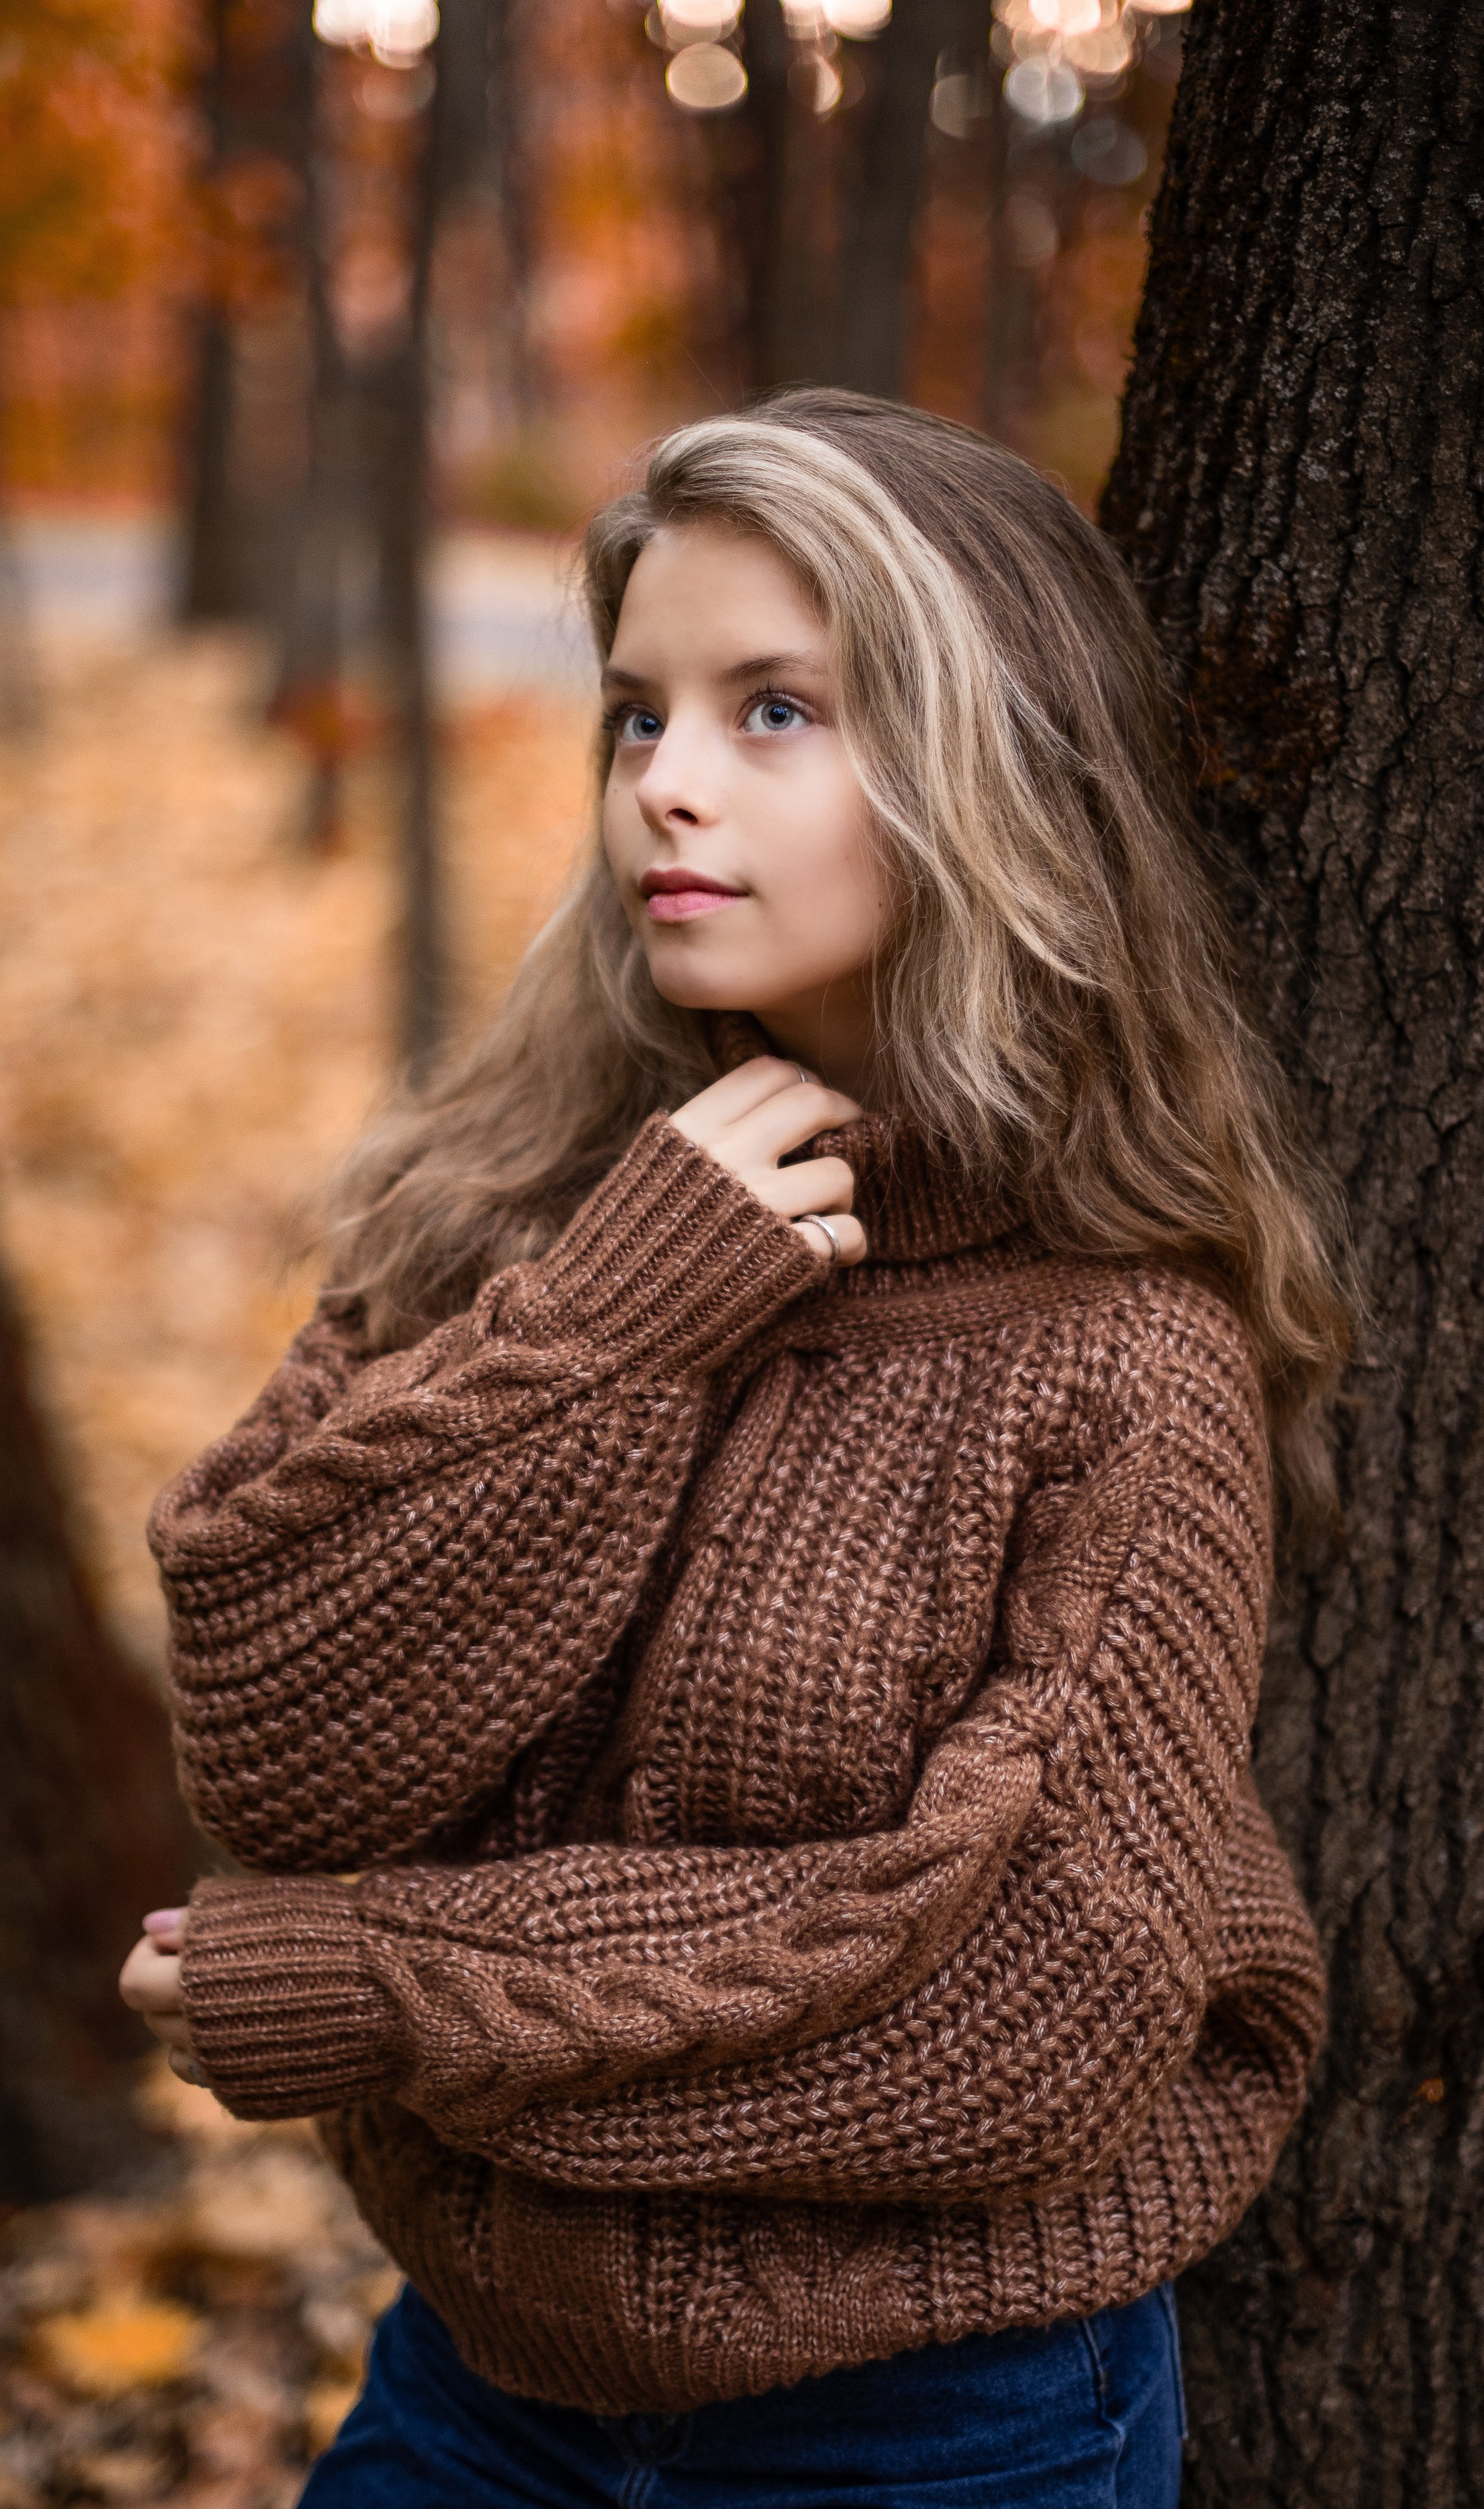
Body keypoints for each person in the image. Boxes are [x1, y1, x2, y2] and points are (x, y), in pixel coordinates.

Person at [121, 389, 1349, 2507]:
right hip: (478, 2391)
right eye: (637, 714)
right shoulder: (525, 1199)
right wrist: (617, 1321)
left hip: (942, 2427)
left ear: (990, 776)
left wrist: (385, 1983)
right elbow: (270, 1737)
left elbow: (1028, 1990)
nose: (664, 788)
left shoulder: (1126, 1354)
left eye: (776, 712)